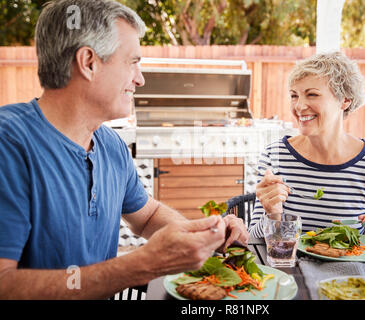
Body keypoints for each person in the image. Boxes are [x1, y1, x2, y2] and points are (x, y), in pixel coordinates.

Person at [0, 0, 248, 299]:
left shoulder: (109, 144)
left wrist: (206, 234)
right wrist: (141, 265)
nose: (140, 79)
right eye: (133, 62)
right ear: (88, 62)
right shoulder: (9, 143)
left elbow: (146, 215)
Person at [249, 51, 365, 240]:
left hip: (353, 269)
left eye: (312, 94)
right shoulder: (275, 155)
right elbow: (252, 239)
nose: (299, 106)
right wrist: (272, 213)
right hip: (288, 268)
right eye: (294, 95)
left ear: (345, 100)